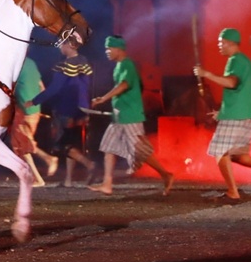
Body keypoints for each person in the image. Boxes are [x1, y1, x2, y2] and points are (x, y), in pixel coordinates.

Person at [89, 36, 174, 196]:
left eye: (109, 48)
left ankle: (166, 174)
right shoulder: (119, 65)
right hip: (119, 116)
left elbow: (124, 84)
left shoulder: (127, 64)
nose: (107, 52)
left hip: (130, 116)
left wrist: (103, 98)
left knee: (140, 151)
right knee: (108, 147)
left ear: (119, 49)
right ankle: (107, 184)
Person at [194, 28, 251, 200]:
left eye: (221, 43)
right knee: (238, 155)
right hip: (244, 113)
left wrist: (206, 74)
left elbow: (232, 83)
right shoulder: (243, 61)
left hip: (235, 115)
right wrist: (222, 112)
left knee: (219, 151)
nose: (219, 46)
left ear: (229, 43)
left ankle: (232, 191)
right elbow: (240, 91)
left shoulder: (235, 60)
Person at [31, 36, 97, 187]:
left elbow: (54, 89)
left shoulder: (64, 66)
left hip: (66, 109)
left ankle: (89, 165)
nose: (60, 47)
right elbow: (85, 89)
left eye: (62, 44)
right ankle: (68, 180)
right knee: (71, 143)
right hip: (81, 109)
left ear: (69, 45)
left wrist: (34, 101)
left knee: (62, 145)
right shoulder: (84, 62)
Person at [10, 57, 58, 187]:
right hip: (34, 109)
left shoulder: (14, 64)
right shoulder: (31, 62)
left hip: (23, 110)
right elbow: (42, 87)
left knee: (22, 146)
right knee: (24, 144)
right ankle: (39, 172)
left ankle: (43, 169)